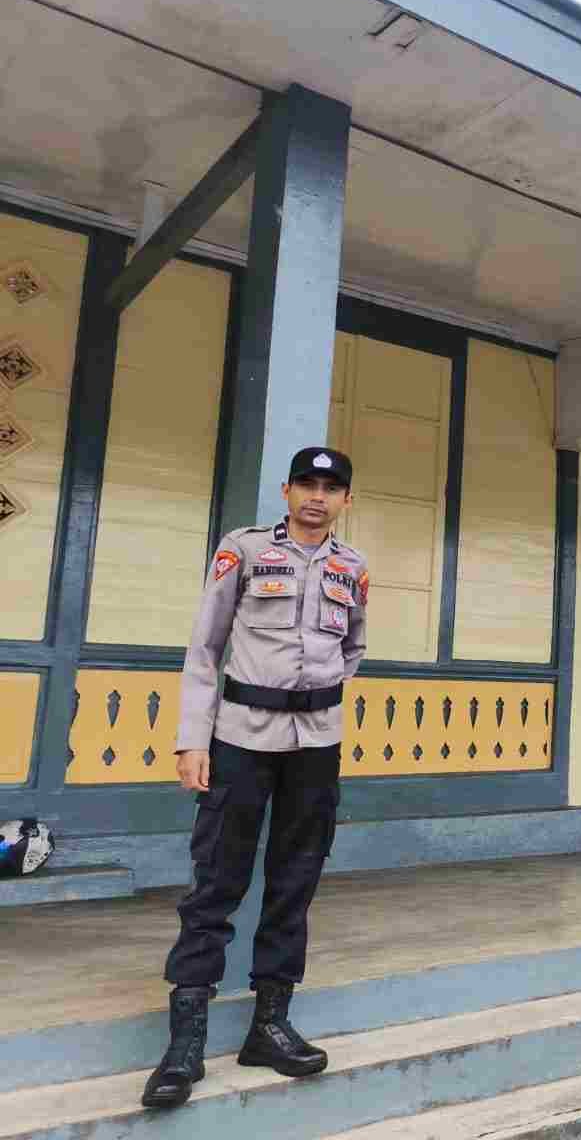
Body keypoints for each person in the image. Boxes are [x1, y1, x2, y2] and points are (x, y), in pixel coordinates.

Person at [142, 447, 369, 1109]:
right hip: (241, 737)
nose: (317, 496)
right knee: (217, 877)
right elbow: (205, 648)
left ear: (346, 499)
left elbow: (353, 646)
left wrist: (312, 693)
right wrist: (194, 739)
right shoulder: (242, 550)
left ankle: (269, 1025)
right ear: (287, 490)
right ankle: (185, 1043)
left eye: (330, 487)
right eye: (307, 484)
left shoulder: (353, 568)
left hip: (316, 744)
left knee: (296, 879)